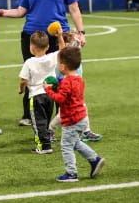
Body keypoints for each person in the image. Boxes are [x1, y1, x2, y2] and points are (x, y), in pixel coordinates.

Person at [0, 0, 87, 127]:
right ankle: (28, 114)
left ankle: (61, 114)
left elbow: (74, 9)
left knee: (59, 74)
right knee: (32, 73)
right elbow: (20, 11)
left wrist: (81, 32)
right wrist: (1, 11)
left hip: (58, 37)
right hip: (31, 36)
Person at [44, 46, 105, 182]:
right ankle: (95, 159)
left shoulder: (66, 82)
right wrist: (58, 85)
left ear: (63, 67)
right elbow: (69, 92)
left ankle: (71, 173)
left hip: (71, 119)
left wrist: (48, 90)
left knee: (66, 145)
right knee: (75, 142)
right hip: (81, 117)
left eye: (59, 63)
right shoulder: (78, 79)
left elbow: (60, 99)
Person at [48, 30, 102, 143]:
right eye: (71, 43)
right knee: (63, 113)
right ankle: (50, 130)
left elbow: (77, 47)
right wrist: (61, 37)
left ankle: (86, 132)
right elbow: (63, 50)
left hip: (76, 87)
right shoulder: (63, 58)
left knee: (83, 108)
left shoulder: (74, 54)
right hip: (67, 88)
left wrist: (77, 37)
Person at [19, 30, 64, 154]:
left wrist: (21, 90)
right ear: (48, 47)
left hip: (36, 96)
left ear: (31, 48)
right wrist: (59, 36)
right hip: (50, 95)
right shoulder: (51, 57)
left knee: (38, 122)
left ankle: (44, 146)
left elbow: (23, 80)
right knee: (46, 120)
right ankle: (47, 140)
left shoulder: (29, 62)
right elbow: (62, 49)